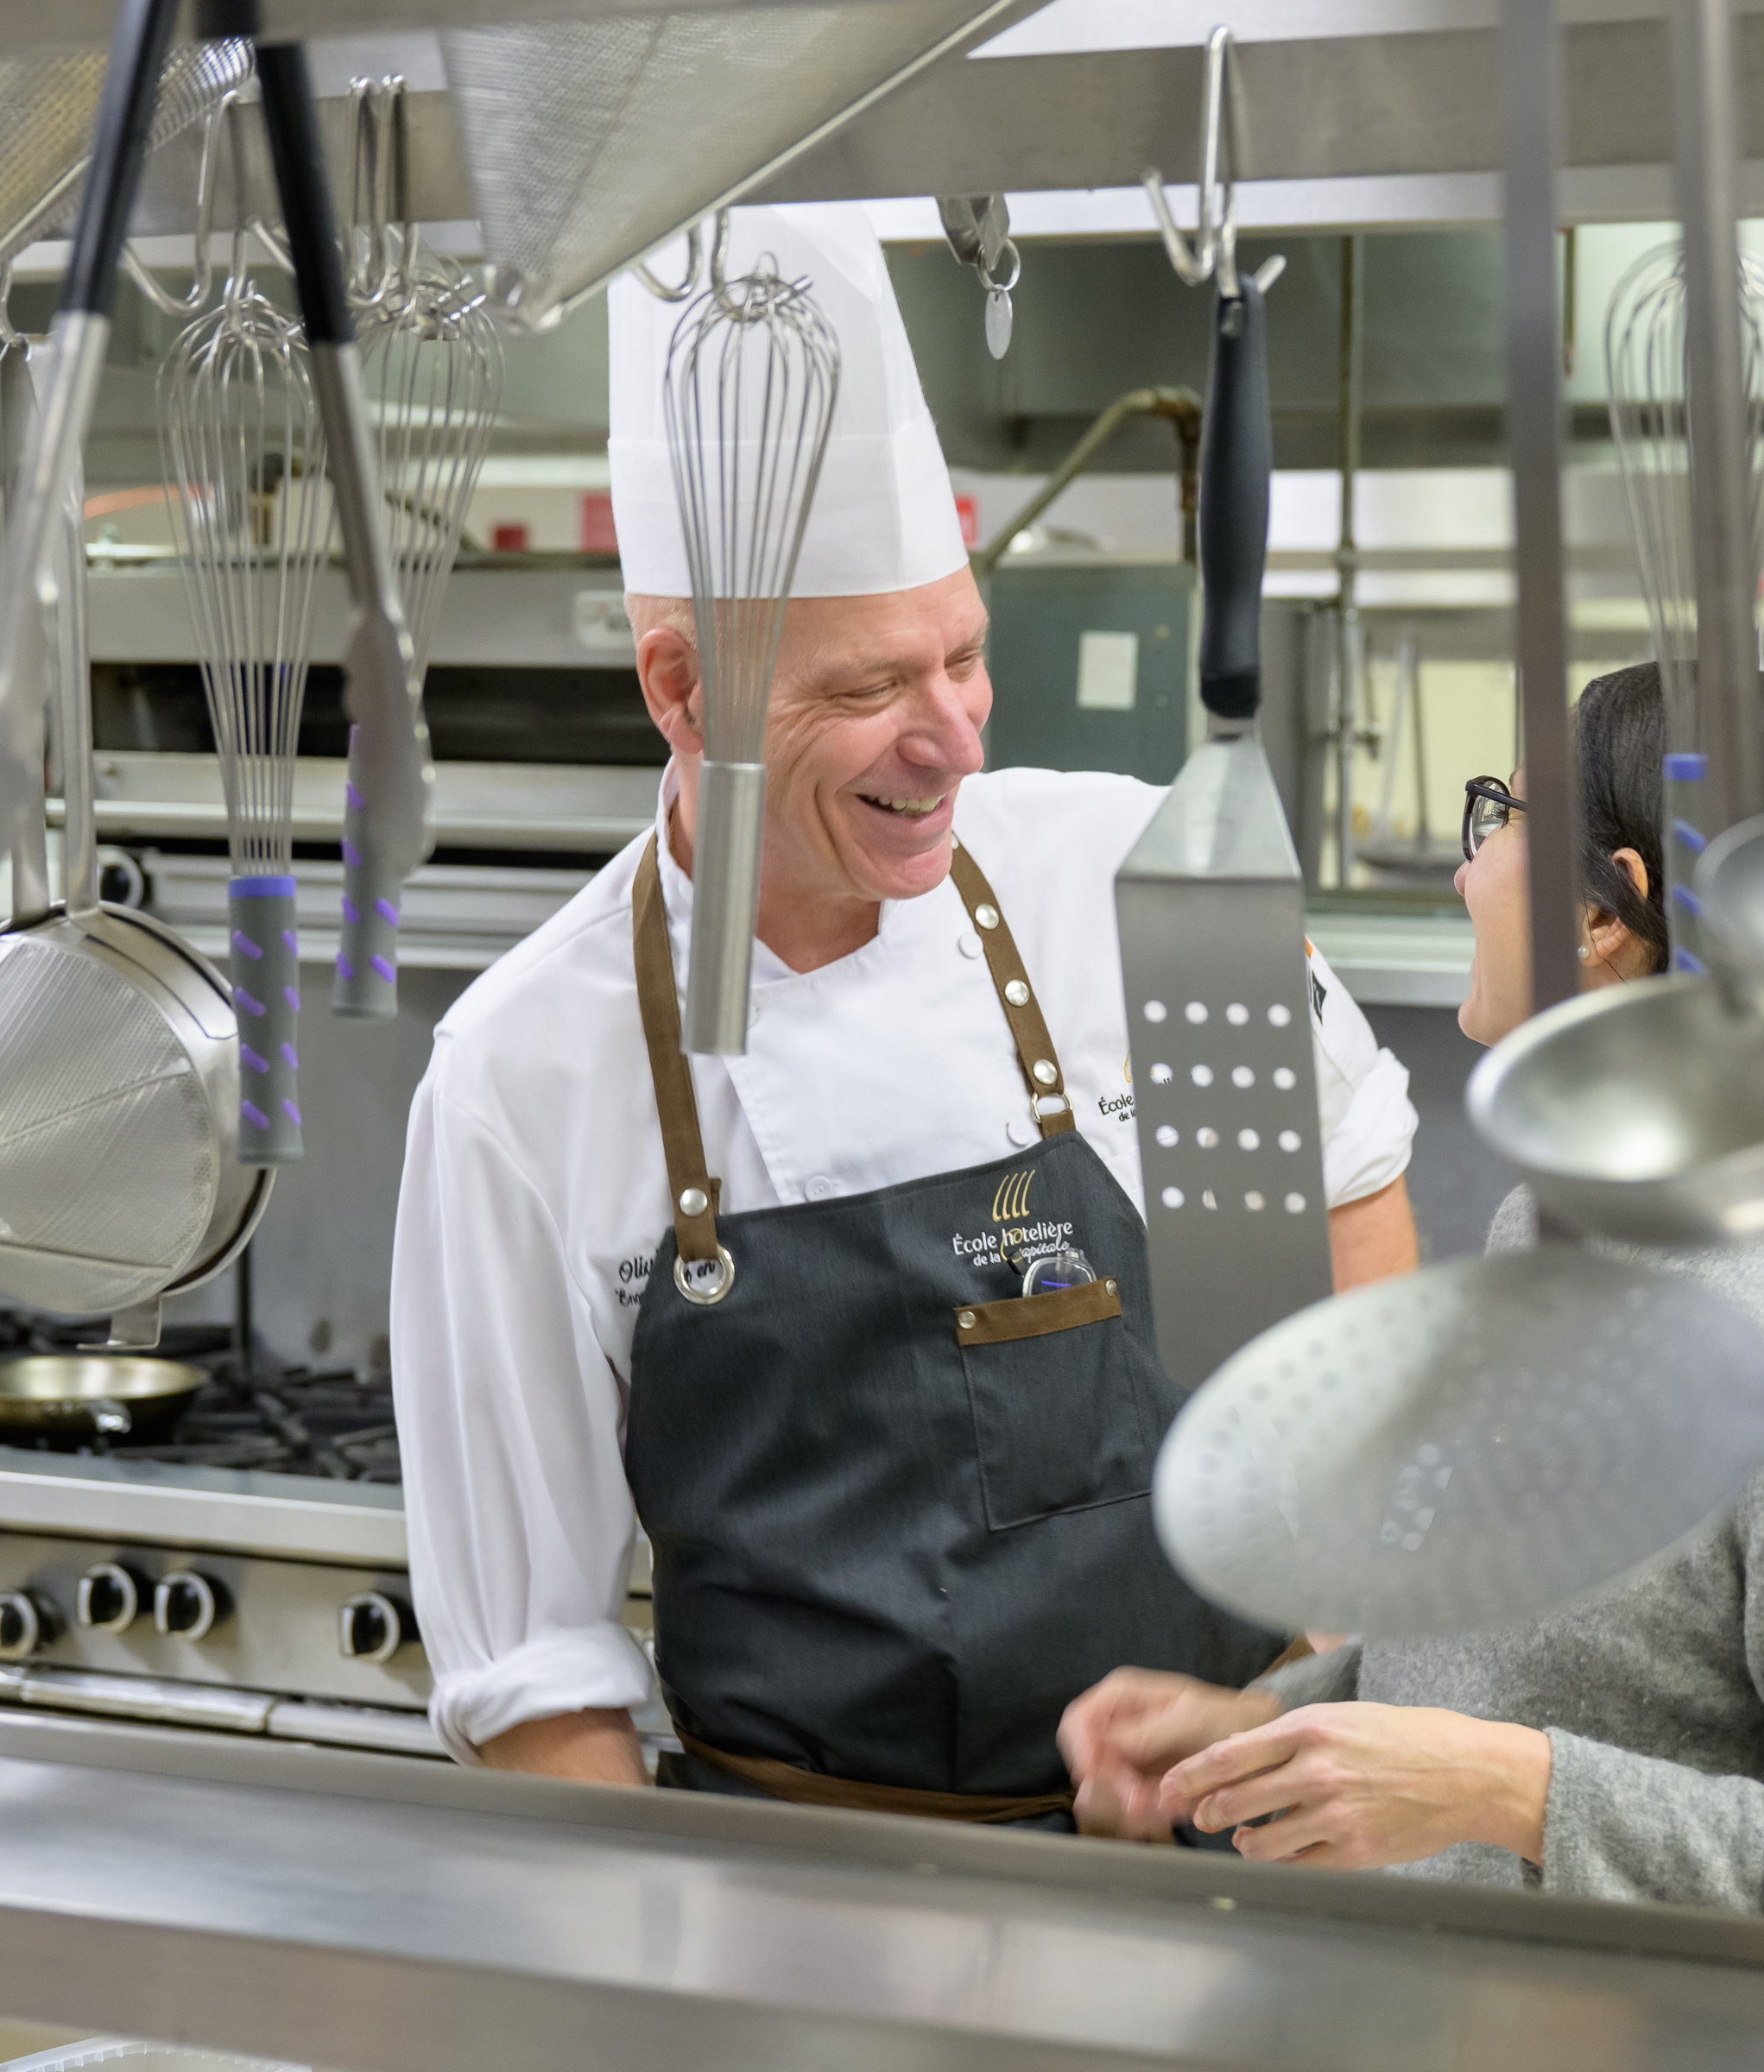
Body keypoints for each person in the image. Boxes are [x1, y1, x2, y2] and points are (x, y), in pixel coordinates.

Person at [389, 203, 1424, 1820]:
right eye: (870, 690)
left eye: (966, 658)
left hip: (1227, 1845)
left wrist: (1317, 1668)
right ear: (682, 691)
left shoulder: (1144, 877)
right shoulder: (520, 1076)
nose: (953, 742)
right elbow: (536, 1673)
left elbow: (1340, 1240)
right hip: (812, 1908)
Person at [1058, 666, 1764, 1943]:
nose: (1468, 868)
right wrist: (1275, 1729)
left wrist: (1514, 1793)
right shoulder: (1550, 1238)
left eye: (1500, 818)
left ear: (1610, 914)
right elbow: (1552, 1671)